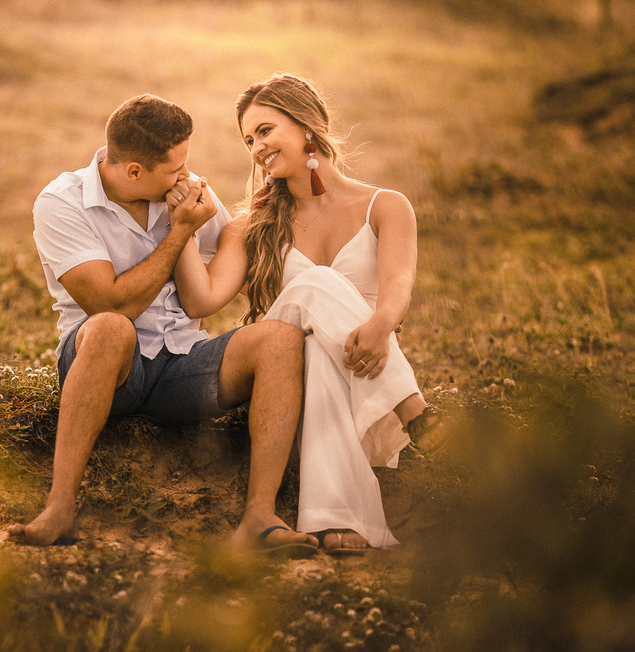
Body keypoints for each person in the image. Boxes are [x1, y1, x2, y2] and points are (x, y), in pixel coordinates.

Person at [7, 93, 318, 556]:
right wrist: (178, 234)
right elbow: (111, 302)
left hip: (181, 363)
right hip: (109, 368)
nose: (187, 178)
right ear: (134, 171)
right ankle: (59, 508)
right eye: (175, 170)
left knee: (279, 339)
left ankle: (259, 517)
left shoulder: (187, 192)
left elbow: (212, 286)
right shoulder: (61, 203)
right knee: (113, 328)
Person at [171, 74, 445, 554]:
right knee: (314, 284)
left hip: (363, 374)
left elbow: (398, 284)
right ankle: (412, 409)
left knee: (322, 354)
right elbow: (202, 301)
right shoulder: (253, 225)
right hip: (289, 386)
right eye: (248, 140)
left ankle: (335, 519)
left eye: (265, 130)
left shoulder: (386, 206)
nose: (256, 147)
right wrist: (181, 232)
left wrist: (381, 325)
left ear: (305, 126)